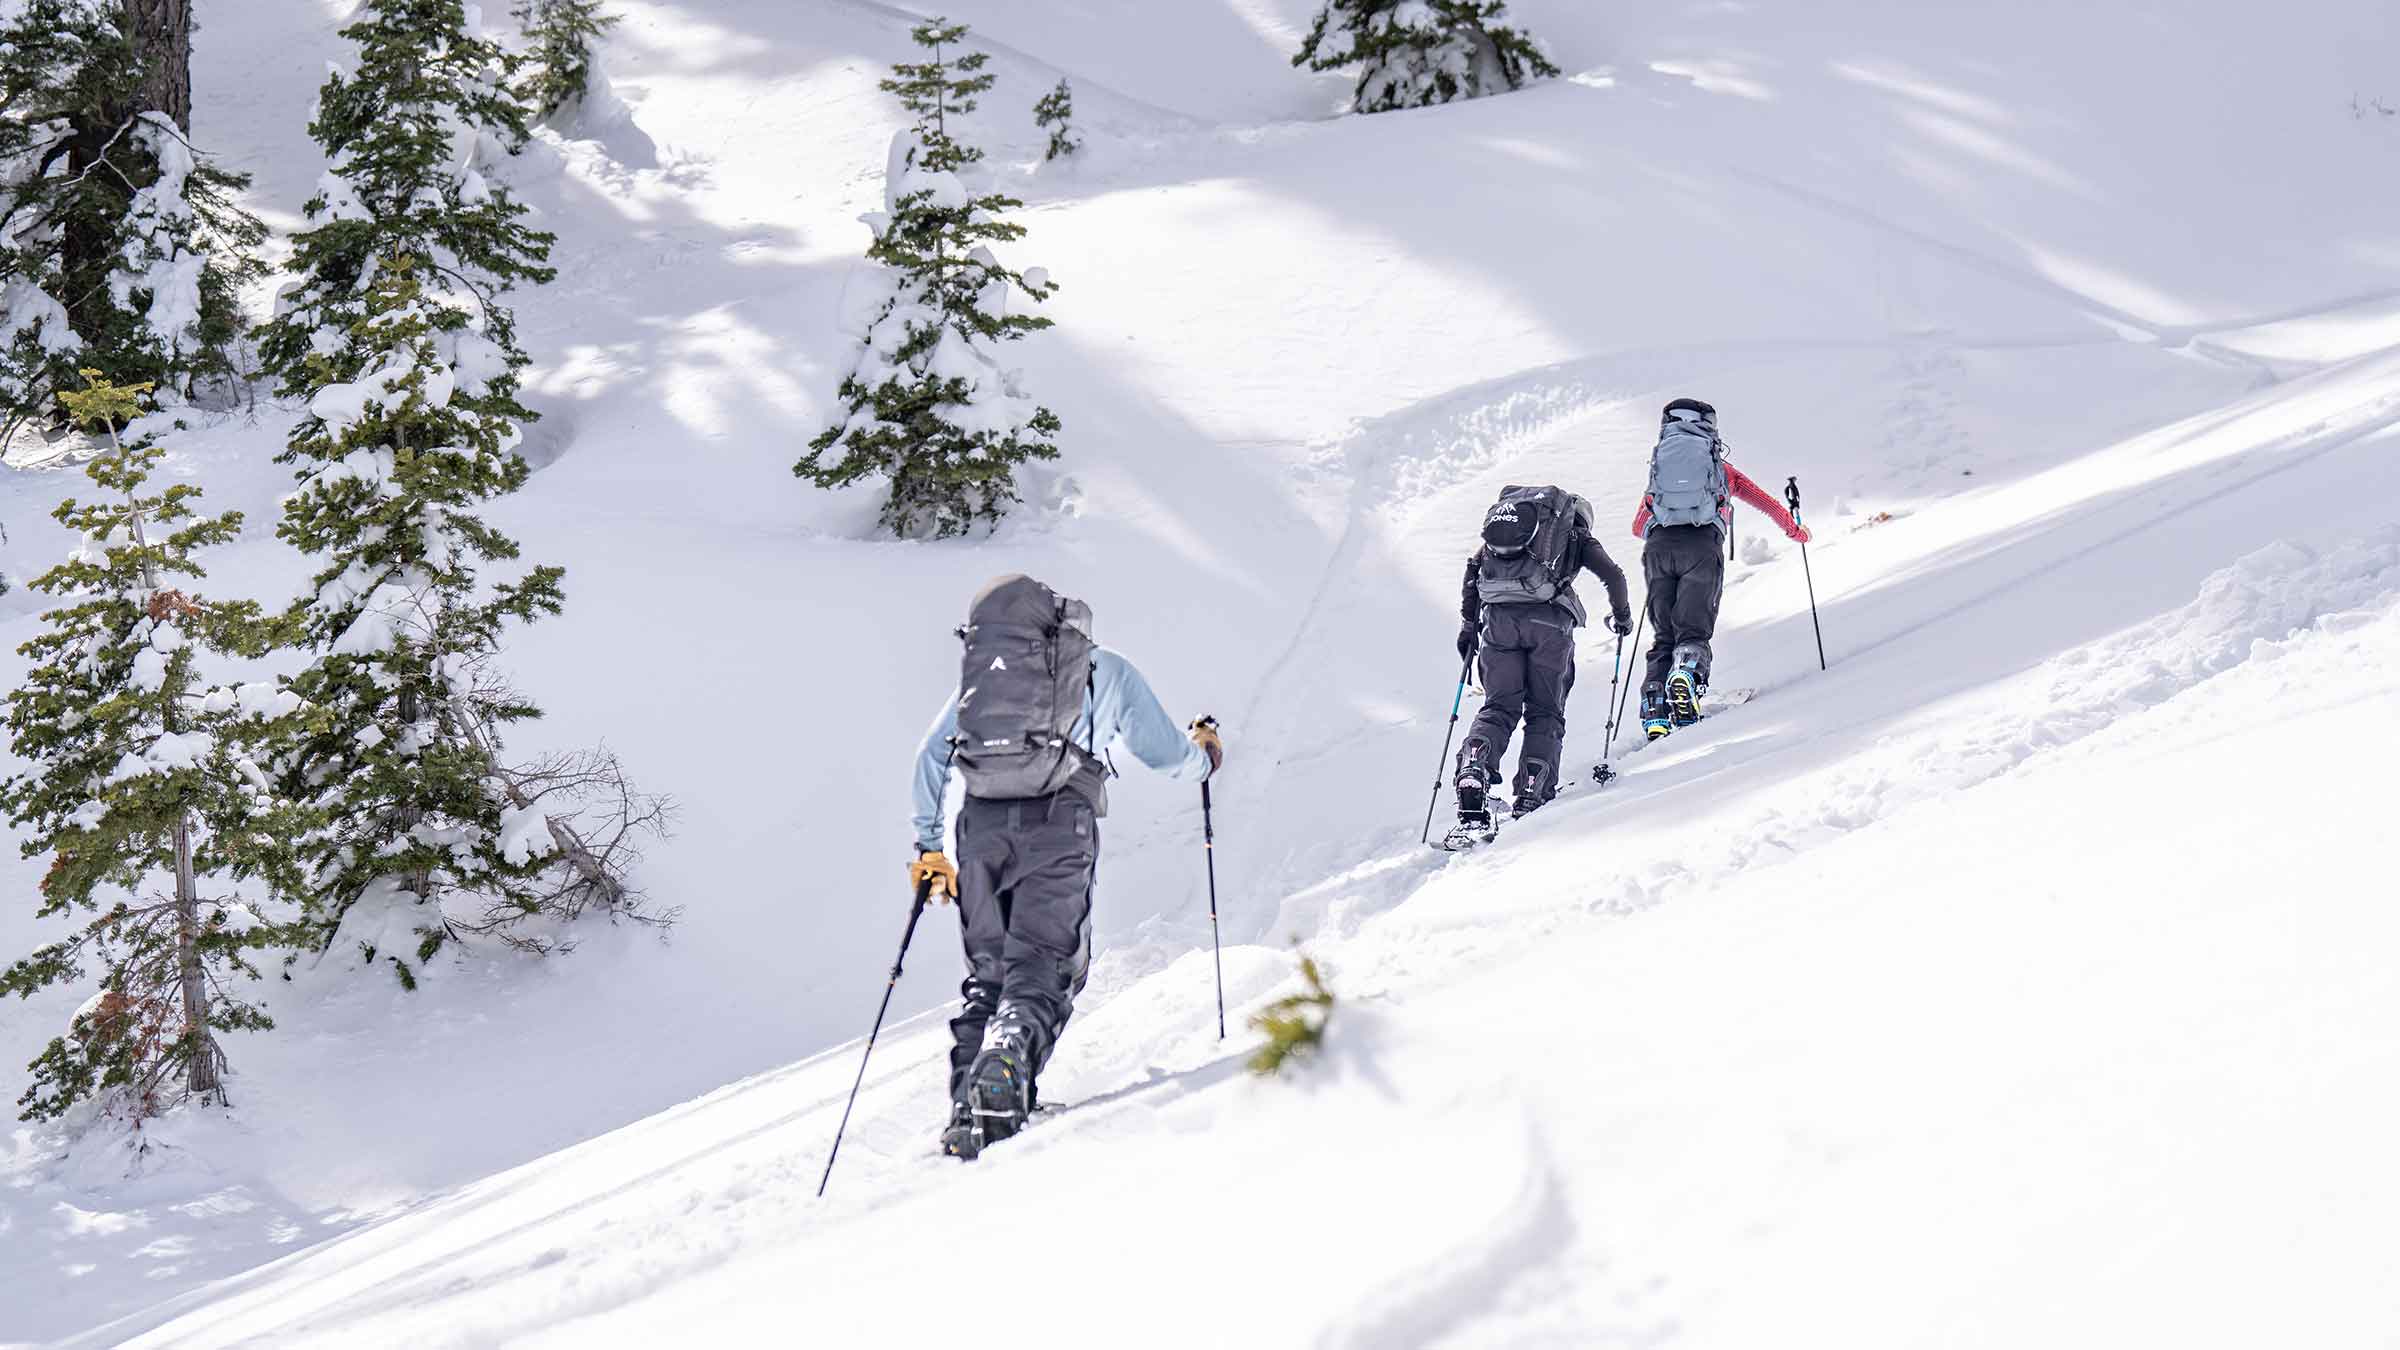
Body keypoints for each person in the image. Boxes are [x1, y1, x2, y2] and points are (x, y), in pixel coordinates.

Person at [907, 574, 1221, 1160]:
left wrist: (929, 848)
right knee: (1042, 966)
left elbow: (930, 756)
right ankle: (1005, 1063)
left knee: (990, 975)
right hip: (1058, 825)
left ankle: (968, 1110)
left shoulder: (985, 680)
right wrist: (1204, 756)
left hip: (978, 828)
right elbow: (1166, 755)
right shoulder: (1104, 669)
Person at [1448, 485, 1634, 843]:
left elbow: (1472, 573)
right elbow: (1614, 576)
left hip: (1498, 626)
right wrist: (1622, 617)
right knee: (1545, 711)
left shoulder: (1505, 540)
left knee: (1498, 707)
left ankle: (1474, 763)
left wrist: (1469, 629)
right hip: (1550, 628)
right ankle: (1533, 788)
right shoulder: (1576, 537)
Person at [1630, 397, 1810, 737]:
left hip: (1658, 550)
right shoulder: (1721, 471)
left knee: (1664, 634)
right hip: (1702, 547)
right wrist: (1796, 530)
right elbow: (1768, 503)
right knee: (1693, 629)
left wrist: (1667, 524)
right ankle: (1686, 674)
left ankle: (1655, 709)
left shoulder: (1659, 471)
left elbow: (1638, 526)